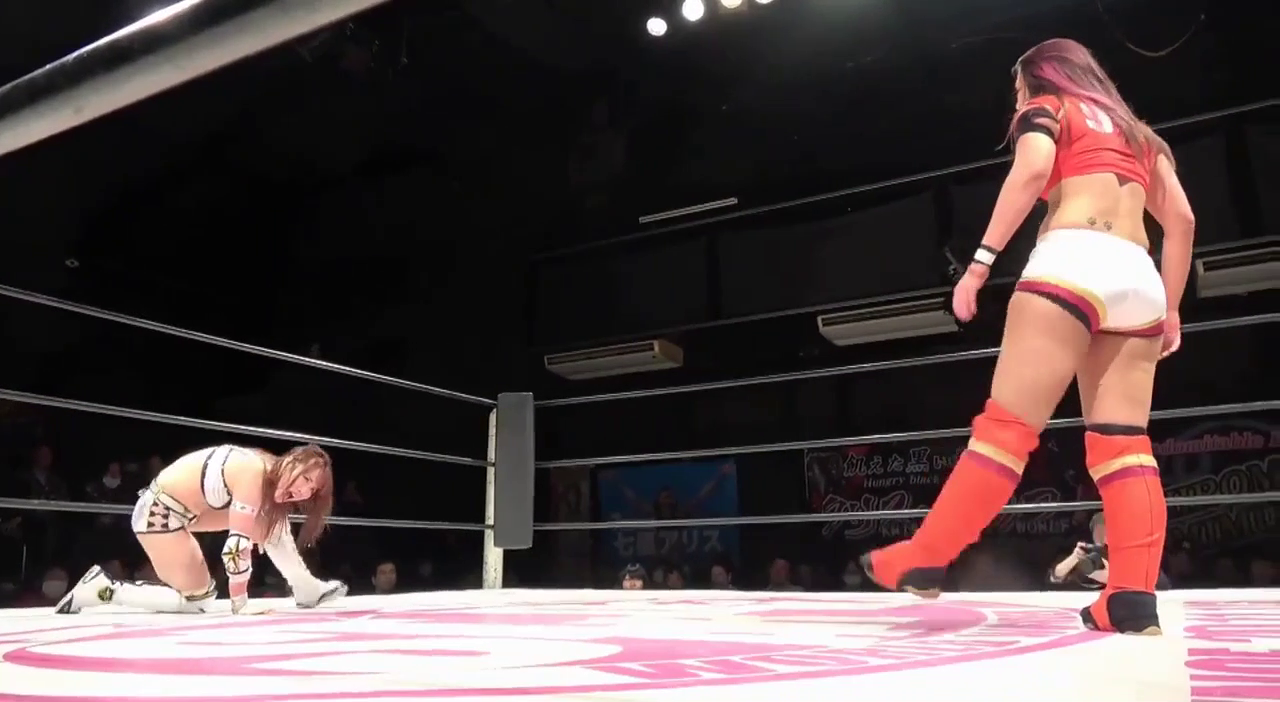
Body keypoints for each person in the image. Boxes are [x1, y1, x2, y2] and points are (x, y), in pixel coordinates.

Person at [862, 38, 1195, 636]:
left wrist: (979, 264)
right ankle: (1131, 598)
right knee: (1124, 445)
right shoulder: (1141, 135)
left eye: (1019, 88)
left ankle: (926, 556)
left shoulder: (1049, 108)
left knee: (1006, 431)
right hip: (1139, 278)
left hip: (1072, 260)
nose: (1017, 100)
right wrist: (1169, 310)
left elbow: (1034, 168)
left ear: (1043, 78)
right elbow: (1183, 220)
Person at [56, 444, 347, 614]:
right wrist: (241, 604)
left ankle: (305, 587)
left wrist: (256, 527)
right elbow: (234, 549)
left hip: (186, 513)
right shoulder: (254, 472)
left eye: (312, 489)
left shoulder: (269, 473)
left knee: (272, 520)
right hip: (158, 515)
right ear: (292, 462)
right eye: (305, 479)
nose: (304, 491)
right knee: (199, 601)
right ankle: (106, 590)